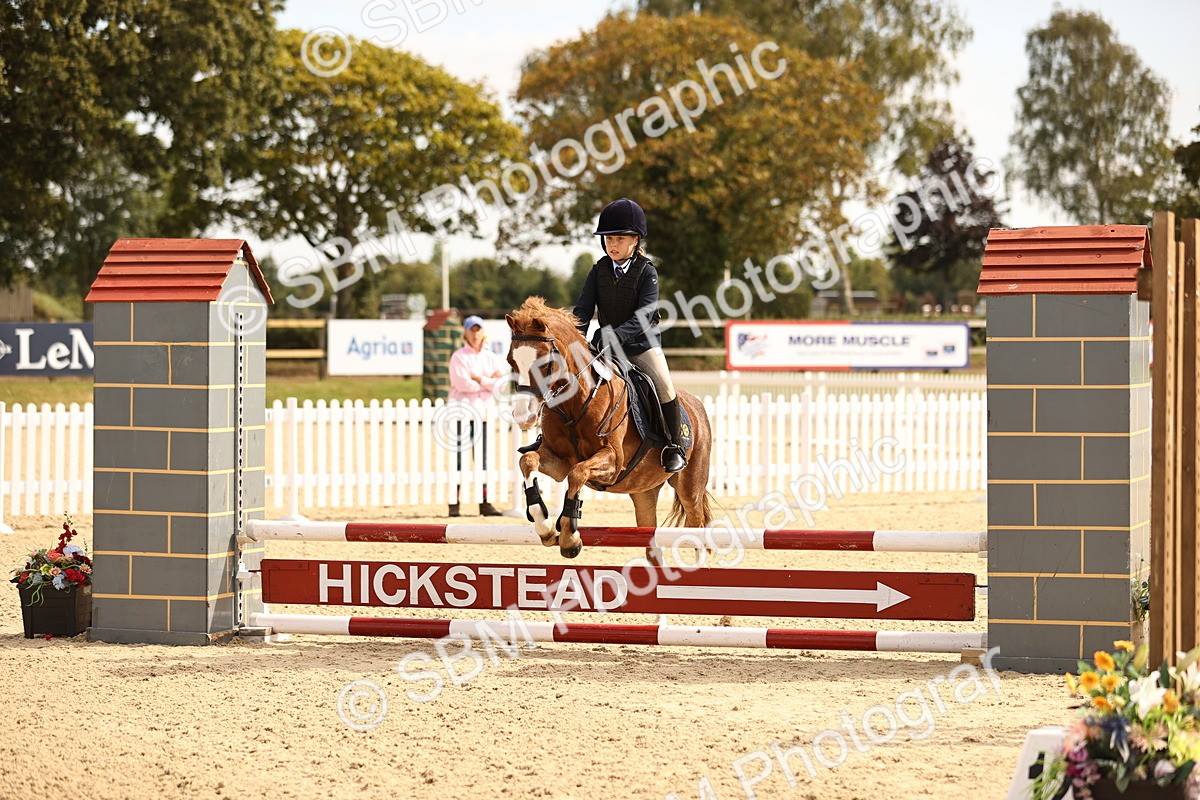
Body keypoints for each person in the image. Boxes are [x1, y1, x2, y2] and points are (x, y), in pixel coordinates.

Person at [572, 197, 687, 472]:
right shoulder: (598, 269)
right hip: (606, 348)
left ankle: (675, 445)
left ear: (635, 240)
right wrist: (574, 339)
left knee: (664, 386)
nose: (613, 244)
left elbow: (644, 316)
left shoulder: (647, 272)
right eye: (609, 238)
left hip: (641, 346)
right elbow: (583, 309)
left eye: (620, 238)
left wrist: (611, 335)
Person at [448, 315, 506, 516]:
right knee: (459, 459)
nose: (475, 333)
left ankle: (484, 501)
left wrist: (479, 378)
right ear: (465, 332)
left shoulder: (490, 356)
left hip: (483, 414)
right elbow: (462, 383)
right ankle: (454, 503)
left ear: (483, 332)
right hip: (462, 413)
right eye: (472, 329)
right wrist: (487, 382)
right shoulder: (458, 357)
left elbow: (501, 384)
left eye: (478, 329)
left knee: (483, 460)